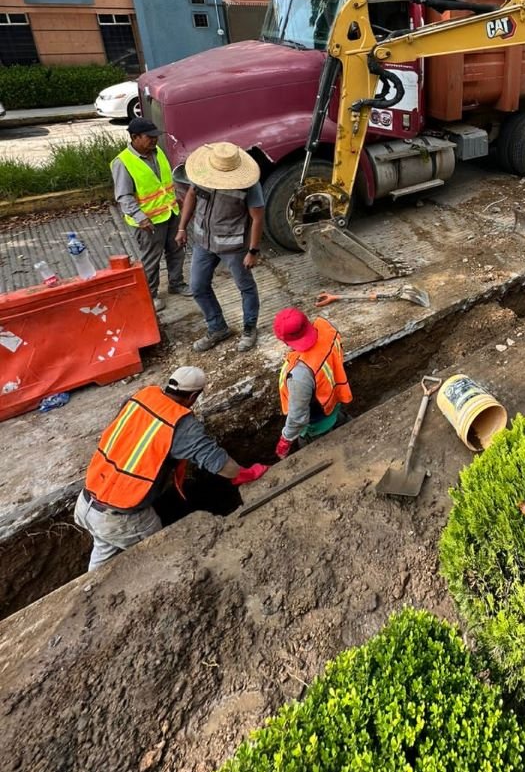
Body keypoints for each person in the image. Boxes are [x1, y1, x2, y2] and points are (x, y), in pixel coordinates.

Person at [73, 366, 268, 570]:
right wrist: (246, 473)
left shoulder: (142, 396)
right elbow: (219, 463)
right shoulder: (181, 424)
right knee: (163, 555)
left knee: (102, 553)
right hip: (123, 518)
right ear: (193, 396)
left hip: (87, 501)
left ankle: (87, 589)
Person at [175, 142, 265, 354]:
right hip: (203, 242)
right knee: (198, 286)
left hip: (233, 246)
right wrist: (182, 227)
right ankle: (217, 328)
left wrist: (253, 251)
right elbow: (190, 195)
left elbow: (258, 217)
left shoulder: (248, 184)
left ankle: (249, 329)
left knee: (246, 287)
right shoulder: (203, 174)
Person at [111, 117, 187, 312]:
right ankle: (150, 294)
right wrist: (140, 217)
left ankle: (176, 283)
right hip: (148, 221)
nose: (154, 140)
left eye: (155, 136)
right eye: (150, 137)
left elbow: (164, 181)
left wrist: (177, 198)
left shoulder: (157, 151)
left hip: (170, 212)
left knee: (177, 249)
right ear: (135, 137)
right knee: (151, 259)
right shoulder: (123, 162)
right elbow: (124, 196)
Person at [272, 307, 353, 458]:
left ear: (283, 340)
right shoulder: (326, 328)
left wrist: (286, 438)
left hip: (316, 427)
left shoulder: (300, 374)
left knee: (321, 459)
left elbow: (298, 416)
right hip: (334, 406)